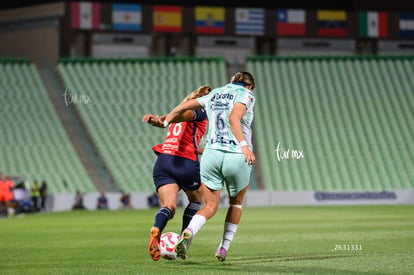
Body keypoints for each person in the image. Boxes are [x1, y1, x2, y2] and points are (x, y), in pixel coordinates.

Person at [162, 72, 256, 261]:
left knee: (209, 205)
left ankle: (188, 232)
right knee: (236, 202)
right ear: (249, 87)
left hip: (211, 154)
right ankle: (223, 247)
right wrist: (244, 146)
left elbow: (185, 105)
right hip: (236, 155)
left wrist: (166, 120)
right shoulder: (246, 94)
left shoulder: (216, 93)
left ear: (231, 81)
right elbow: (234, 118)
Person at [142, 85, 212, 261]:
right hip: (185, 163)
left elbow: (165, 121)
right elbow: (187, 116)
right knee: (196, 200)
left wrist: (157, 120)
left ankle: (157, 229)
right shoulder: (200, 111)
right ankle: (183, 240)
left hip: (164, 161)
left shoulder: (176, 113)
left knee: (169, 207)